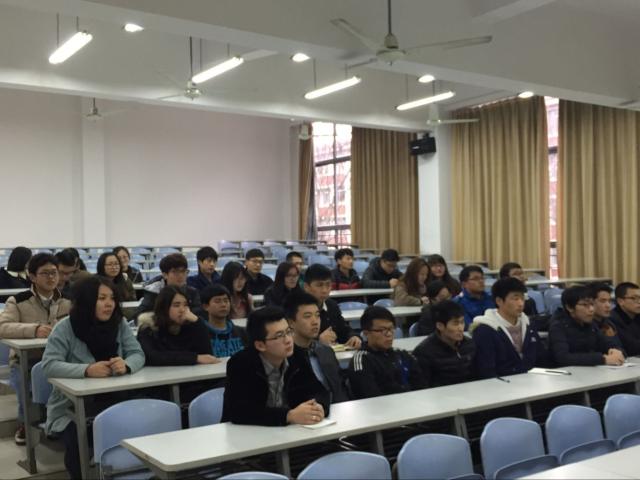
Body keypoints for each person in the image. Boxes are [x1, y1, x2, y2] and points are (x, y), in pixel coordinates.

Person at [42, 276, 145, 479]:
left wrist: (126, 364)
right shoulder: (65, 327)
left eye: (112, 298)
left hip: (116, 398)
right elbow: (49, 365)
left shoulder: (119, 323)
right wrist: (87, 369)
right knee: (77, 436)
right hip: (72, 408)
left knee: (140, 421)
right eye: (102, 298)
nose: (109, 304)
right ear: (88, 301)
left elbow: (137, 353)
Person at [0, 253, 71, 445]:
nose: (51, 277)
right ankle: (25, 423)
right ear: (32, 276)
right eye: (45, 273)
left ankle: (60, 423)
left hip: (60, 358)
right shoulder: (18, 300)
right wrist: (33, 329)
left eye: (54, 272)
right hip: (27, 360)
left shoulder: (68, 301)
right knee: (27, 385)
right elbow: (2, 327)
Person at [222, 306, 330, 426]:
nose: (288, 340)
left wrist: (318, 407)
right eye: (279, 336)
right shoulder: (240, 364)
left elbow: (319, 391)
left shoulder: (297, 355)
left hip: (289, 431)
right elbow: (239, 412)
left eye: (288, 332)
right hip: (245, 433)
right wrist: (288, 416)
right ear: (260, 345)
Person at [471, 277, 547, 378]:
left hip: (532, 381)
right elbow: (486, 371)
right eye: (515, 299)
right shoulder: (485, 330)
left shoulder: (529, 325)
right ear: (499, 301)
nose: (521, 304)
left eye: (522, 298)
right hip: (501, 384)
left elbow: (541, 359)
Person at [284, 291, 350, 403]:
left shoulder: (326, 351)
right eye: (307, 316)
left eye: (317, 315)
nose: (315, 322)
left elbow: (340, 389)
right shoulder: (286, 357)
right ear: (290, 322)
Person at [348, 306, 425, 399]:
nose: (389, 334)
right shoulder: (362, 361)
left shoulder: (402, 355)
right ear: (366, 333)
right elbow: (370, 398)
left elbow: (421, 386)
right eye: (382, 330)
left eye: (391, 329)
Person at [548, 286, 625, 366]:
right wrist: (603, 359)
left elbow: (609, 344)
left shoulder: (591, 325)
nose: (591, 309)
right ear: (569, 307)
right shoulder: (558, 327)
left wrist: (617, 351)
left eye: (592, 304)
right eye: (585, 305)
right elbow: (563, 358)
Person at [413, 300, 476, 387]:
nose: (461, 328)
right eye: (455, 323)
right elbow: (422, 386)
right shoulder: (424, 352)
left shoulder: (469, 344)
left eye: (462, 322)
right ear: (440, 326)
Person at [133, 253, 206, 323]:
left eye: (183, 271)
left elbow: (199, 315)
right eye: (175, 272)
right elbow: (139, 316)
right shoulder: (154, 291)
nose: (181, 275)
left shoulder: (192, 292)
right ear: (165, 275)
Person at [303, 264, 361, 349]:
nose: (324, 290)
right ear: (306, 287)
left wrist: (353, 337)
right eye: (319, 285)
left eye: (328, 285)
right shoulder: (298, 308)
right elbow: (295, 339)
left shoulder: (332, 305)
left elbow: (344, 329)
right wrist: (318, 341)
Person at [200, 284, 248, 358]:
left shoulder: (241, 332)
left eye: (226, 301)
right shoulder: (201, 334)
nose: (223, 305)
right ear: (206, 306)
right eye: (217, 301)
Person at [610, 282, 640, 356]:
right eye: (634, 298)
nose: (639, 302)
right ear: (620, 301)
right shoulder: (612, 319)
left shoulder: (637, 315)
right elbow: (631, 347)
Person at [588, 283, 622, 349]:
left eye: (609, 301)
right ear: (590, 302)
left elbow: (621, 350)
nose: (608, 305)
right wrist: (610, 339)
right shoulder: (586, 325)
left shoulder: (609, 323)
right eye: (603, 301)